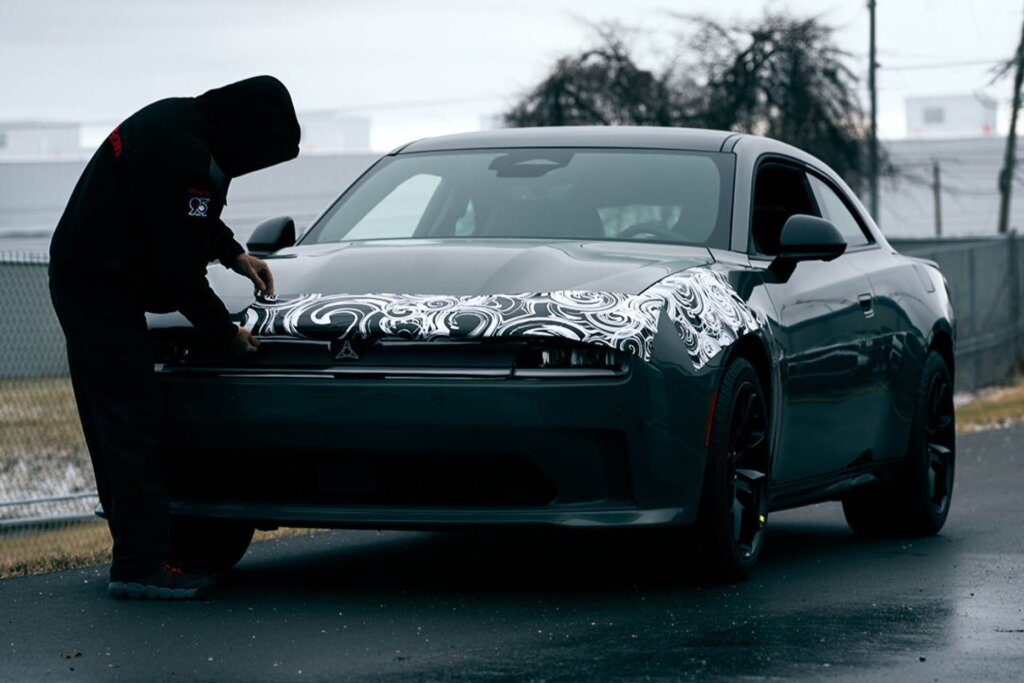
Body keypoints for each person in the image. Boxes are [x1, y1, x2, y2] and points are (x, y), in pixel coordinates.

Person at [48, 76, 301, 599]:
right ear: (247, 130)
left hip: (91, 274)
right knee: (128, 418)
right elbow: (179, 271)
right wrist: (225, 333)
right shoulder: (180, 152)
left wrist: (234, 253)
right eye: (261, 154)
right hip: (97, 286)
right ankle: (141, 565)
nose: (253, 165)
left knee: (119, 418)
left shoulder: (184, 123)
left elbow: (192, 217)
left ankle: (142, 552)